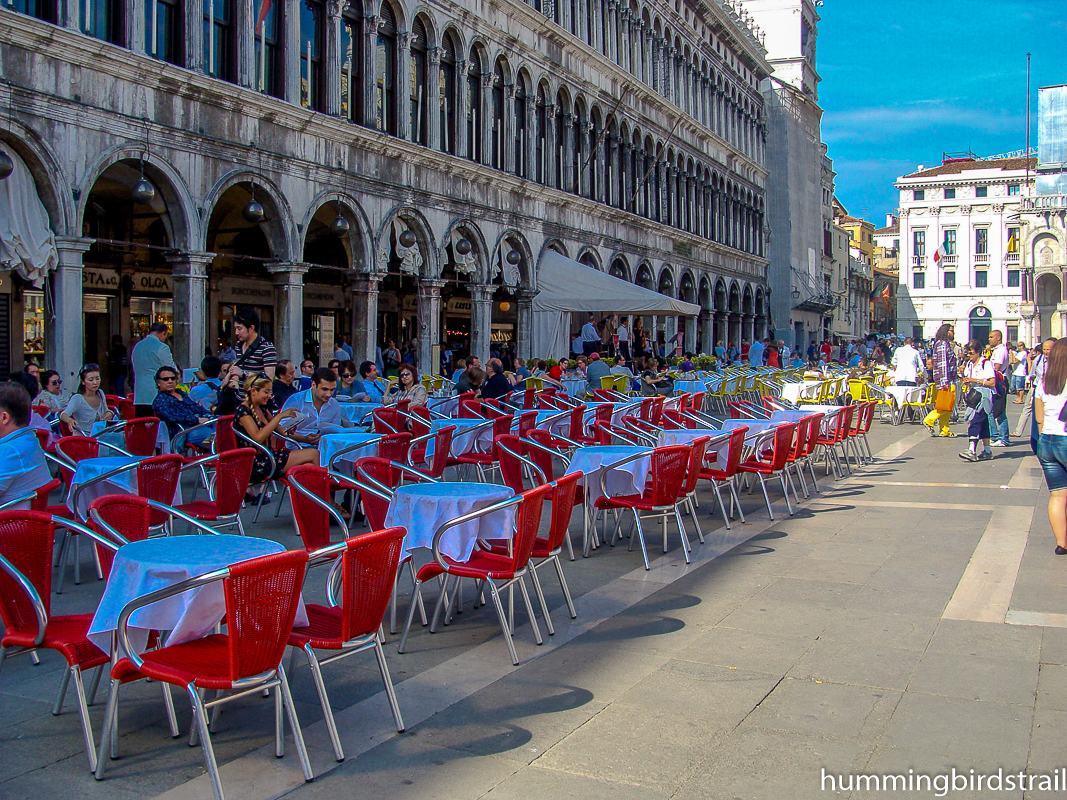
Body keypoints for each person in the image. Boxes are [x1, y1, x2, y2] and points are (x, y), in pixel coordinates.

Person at [234, 374, 318, 487]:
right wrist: (279, 417)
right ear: (253, 391)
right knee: (314, 454)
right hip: (256, 463)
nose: (269, 396)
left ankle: (309, 502)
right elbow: (258, 438)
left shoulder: (262, 408)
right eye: (266, 392)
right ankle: (326, 500)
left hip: (269, 457)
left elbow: (282, 431)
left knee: (309, 468)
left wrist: (305, 439)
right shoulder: (243, 411)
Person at [1034, 338, 1067, 554]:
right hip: (1065, 438)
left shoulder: (1044, 381)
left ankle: (1062, 544)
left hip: (1047, 440)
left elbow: (1039, 418)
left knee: (1057, 495)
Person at [0, 382, 51, 509]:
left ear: (4, 417)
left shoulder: (10, 450)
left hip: (10, 525)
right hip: (26, 522)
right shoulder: (28, 440)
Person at [282, 366, 355, 448]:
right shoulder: (296, 400)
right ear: (313, 385)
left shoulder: (335, 405)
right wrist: (304, 439)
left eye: (332, 390)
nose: (329, 394)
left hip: (324, 446)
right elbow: (282, 429)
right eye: (324, 389)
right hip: (297, 446)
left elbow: (335, 432)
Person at [151, 366, 213, 450]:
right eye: (166, 379)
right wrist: (197, 419)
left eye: (173, 378)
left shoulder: (182, 394)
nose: (170, 381)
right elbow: (174, 417)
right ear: (158, 383)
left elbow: (196, 407)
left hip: (198, 424)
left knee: (225, 426)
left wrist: (209, 416)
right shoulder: (160, 401)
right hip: (183, 432)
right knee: (217, 438)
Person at [958, 339, 996, 462]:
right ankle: (987, 450)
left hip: (984, 397)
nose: (969, 356)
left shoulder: (986, 363)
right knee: (983, 424)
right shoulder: (969, 365)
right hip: (974, 397)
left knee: (975, 421)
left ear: (978, 352)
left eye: (972, 353)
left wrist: (975, 380)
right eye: (968, 353)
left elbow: (992, 382)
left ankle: (971, 450)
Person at [1015, 338, 1055, 447]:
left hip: (1053, 392)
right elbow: (1032, 374)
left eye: (1049, 349)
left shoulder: (1058, 362)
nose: (1046, 352)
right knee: (1037, 417)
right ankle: (1037, 441)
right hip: (1038, 390)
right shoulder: (1039, 359)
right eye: (1045, 349)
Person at [922, 324, 958, 437]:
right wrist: (944, 382)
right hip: (946, 381)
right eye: (951, 331)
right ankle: (929, 420)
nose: (953, 333)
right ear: (946, 331)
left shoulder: (943, 343)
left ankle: (944, 429)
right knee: (945, 405)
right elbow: (942, 364)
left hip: (946, 379)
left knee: (947, 406)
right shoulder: (942, 344)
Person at [131, 322, 174, 416]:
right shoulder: (162, 347)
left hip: (139, 394)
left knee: (142, 426)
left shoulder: (137, 346)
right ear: (163, 333)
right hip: (156, 394)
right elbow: (170, 370)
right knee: (158, 427)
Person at [61, 363, 115, 434]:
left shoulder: (100, 393)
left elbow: (106, 410)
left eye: (97, 379)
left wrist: (110, 413)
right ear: (83, 382)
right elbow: (63, 414)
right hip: (84, 437)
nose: (95, 382)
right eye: (91, 380)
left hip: (100, 434)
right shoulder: (77, 398)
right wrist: (69, 420)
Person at [232, 307, 278, 380]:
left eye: (239, 328)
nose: (236, 332)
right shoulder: (238, 345)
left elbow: (269, 378)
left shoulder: (267, 347)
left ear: (251, 328)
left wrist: (243, 374)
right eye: (235, 328)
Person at [987, 329, 1011, 447]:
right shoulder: (996, 350)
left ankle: (1004, 438)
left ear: (998, 338)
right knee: (991, 410)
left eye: (991, 337)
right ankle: (995, 435)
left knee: (1000, 410)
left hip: (1000, 382)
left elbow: (997, 367)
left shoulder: (1001, 350)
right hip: (996, 381)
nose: (989, 339)